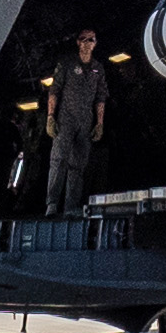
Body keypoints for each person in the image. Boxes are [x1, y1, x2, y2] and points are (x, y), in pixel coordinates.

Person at [43, 33, 107, 214]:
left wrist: (99, 123)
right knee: (59, 160)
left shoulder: (97, 68)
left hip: (85, 121)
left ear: (95, 44)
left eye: (91, 40)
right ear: (78, 42)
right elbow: (54, 90)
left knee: (78, 165)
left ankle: (71, 206)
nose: (87, 43)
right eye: (84, 39)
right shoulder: (67, 64)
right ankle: (52, 204)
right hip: (66, 118)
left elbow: (101, 97)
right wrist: (50, 116)